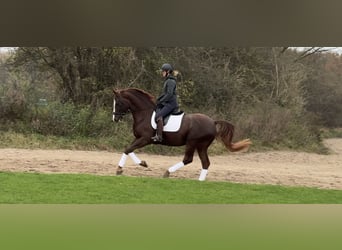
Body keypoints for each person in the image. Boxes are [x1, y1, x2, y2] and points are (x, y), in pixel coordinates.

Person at [151, 63, 179, 142]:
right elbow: (165, 94)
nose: (162, 73)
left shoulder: (171, 81)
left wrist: (161, 101)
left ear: (168, 72)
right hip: (167, 103)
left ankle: (159, 136)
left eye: (163, 71)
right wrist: (158, 100)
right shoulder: (167, 80)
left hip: (171, 104)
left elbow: (169, 94)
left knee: (158, 116)